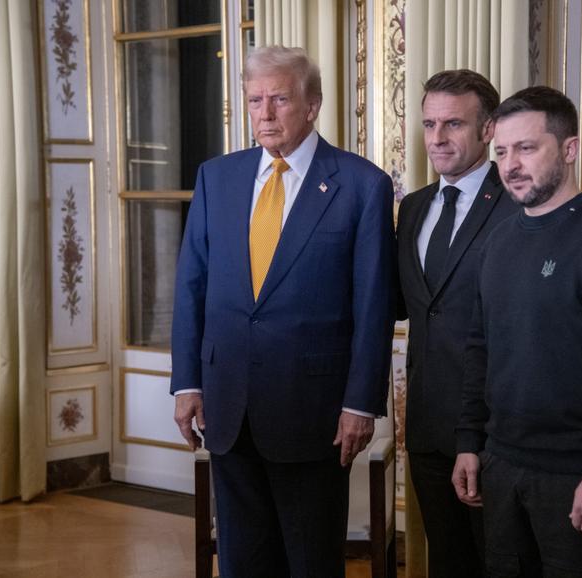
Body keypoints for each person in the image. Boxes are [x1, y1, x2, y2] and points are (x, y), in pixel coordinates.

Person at [170, 46, 396, 578]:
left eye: (279, 99)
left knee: (311, 562)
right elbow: (191, 285)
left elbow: (374, 305)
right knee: (243, 561)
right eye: (255, 101)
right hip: (228, 407)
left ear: (312, 105)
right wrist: (187, 383)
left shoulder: (362, 185)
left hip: (313, 412)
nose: (265, 114)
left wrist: (361, 403)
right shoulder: (216, 177)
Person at [452, 86, 582, 577]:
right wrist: (469, 441)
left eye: (527, 148)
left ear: (569, 150)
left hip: (578, 473)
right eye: (501, 151)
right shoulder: (498, 242)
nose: (510, 165)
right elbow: (480, 349)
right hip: (501, 465)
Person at [397, 69, 518, 577]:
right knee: (447, 563)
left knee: (501, 565)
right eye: (429, 125)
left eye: (453, 124)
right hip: (425, 426)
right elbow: (405, 304)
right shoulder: (413, 207)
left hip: (494, 429)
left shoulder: (517, 203)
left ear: (488, 129)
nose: (437, 139)